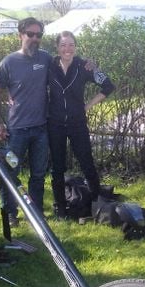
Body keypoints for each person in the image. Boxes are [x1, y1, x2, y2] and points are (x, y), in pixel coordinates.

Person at [48, 30, 115, 219]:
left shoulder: (84, 66)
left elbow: (108, 86)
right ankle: (61, 207)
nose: (67, 49)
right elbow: (33, 83)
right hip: (55, 123)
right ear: (57, 47)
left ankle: (97, 204)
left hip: (77, 122)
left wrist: (87, 106)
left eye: (71, 45)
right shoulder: (49, 66)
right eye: (63, 45)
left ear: (76, 47)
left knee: (87, 162)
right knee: (57, 168)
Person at [0, 17, 51, 227]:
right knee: (10, 174)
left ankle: (35, 213)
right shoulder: (8, 63)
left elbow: (67, 64)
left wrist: (88, 65)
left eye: (39, 35)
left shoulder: (46, 59)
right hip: (16, 130)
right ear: (20, 35)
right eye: (30, 34)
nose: (35, 38)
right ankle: (10, 214)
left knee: (38, 175)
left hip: (41, 128)